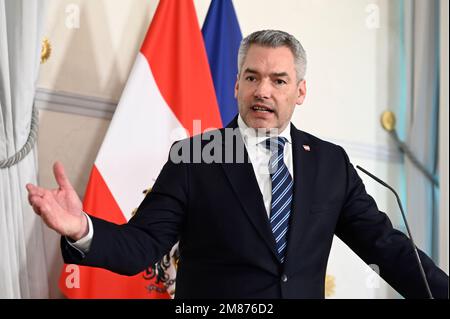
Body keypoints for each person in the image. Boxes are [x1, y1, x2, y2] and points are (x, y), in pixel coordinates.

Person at [26, 30, 448, 299]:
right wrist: (83, 229)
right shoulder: (193, 158)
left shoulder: (329, 163)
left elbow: (385, 247)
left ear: (300, 91)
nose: (263, 90)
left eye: (278, 80)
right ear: (236, 84)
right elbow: (141, 246)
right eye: (252, 77)